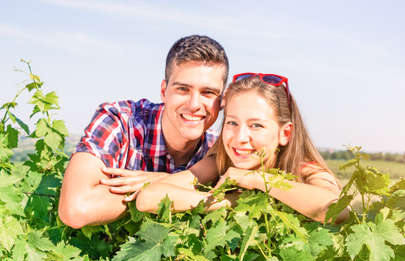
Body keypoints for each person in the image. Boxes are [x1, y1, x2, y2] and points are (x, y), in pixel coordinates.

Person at [58, 35, 229, 228]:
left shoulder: (220, 150)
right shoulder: (121, 121)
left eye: (208, 93)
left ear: (222, 101)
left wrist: (165, 183)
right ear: (164, 92)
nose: (194, 105)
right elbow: (76, 209)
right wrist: (170, 189)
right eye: (183, 89)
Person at [134, 73, 347, 223]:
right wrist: (229, 201)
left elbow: (335, 210)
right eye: (232, 123)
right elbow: (149, 197)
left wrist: (255, 180)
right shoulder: (218, 163)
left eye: (256, 125)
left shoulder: (305, 170)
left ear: (285, 133)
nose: (240, 138)